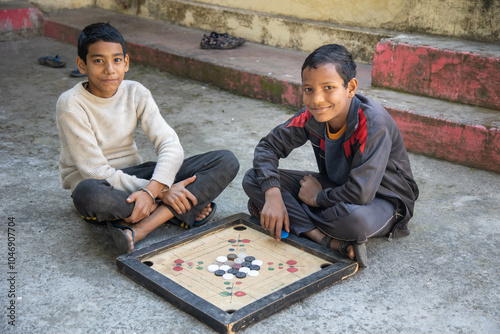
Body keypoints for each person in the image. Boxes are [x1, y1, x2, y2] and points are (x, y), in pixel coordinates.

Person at [56, 22, 239, 253]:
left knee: (225, 160)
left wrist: (152, 188)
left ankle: (141, 226)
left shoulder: (136, 92)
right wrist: (161, 191)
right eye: (98, 60)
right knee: (89, 194)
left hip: (139, 175)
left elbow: (169, 144)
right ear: (82, 64)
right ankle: (179, 210)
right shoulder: (70, 104)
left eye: (117, 60)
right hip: (102, 185)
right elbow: (95, 171)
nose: (110, 69)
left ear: (126, 63)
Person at [242, 44, 419, 267]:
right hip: (335, 188)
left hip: (382, 200)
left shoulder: (373, 122)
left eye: (328, 87)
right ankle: (322, 238)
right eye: (309, 89)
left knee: (354, 221)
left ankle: (292, 216)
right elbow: (267, 148)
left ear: (351, 87)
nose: (316, 99)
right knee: (254, 179)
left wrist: (317, 198)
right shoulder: (312, 116)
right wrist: (273, 196)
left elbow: (361, 192)